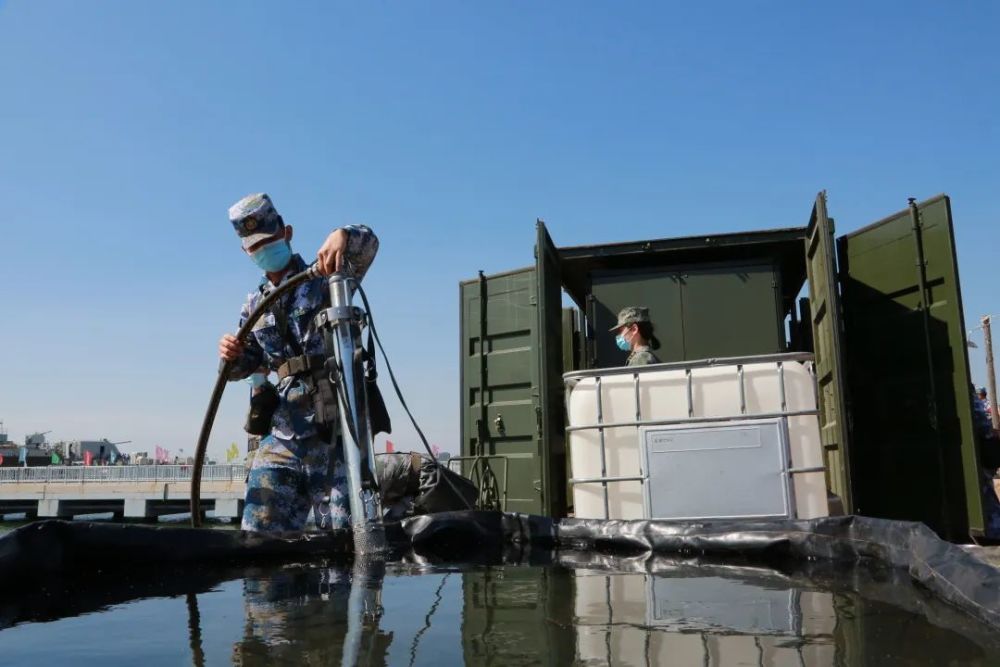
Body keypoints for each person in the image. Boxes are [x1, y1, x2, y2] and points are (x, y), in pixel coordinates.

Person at [218, 193, 379, 532]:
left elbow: (369, 245)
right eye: (255, 246)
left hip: (335, 427)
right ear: (245, 252)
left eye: (270, 240)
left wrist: (343, 234)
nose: (263, 250)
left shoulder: (325, 276)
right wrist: (231, 355)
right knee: (257, 533)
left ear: (287, 234)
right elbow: (245, 365)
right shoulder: (253, 307)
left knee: (345, 537)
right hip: (284, 431)